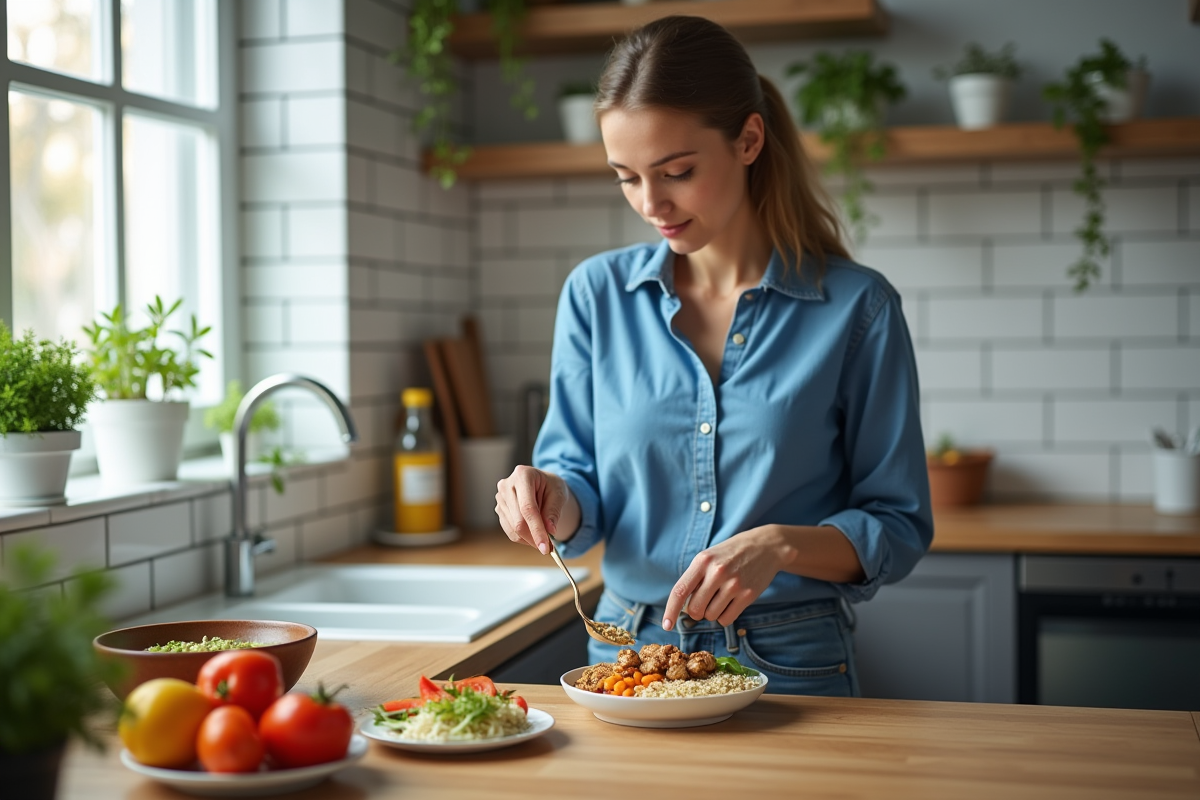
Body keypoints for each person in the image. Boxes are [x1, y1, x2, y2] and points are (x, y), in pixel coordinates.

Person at [493, 15, 932, 697]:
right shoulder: (595, 294)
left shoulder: (857, 308)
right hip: (625, 655)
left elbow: (898, 523)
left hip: (791, 660)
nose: (650, 203)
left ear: (749, 139)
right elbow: (581, 494)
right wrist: (553, 499)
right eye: (626, 178)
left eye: (676, 172)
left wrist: (781, 545)